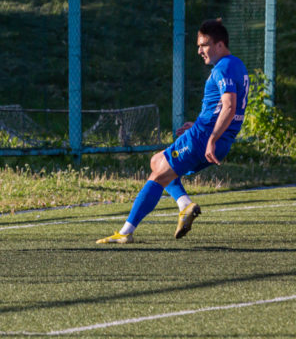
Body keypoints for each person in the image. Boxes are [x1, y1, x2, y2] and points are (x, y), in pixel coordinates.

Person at [97, 19, 249, 244]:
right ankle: (184, 205)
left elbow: (229, 105)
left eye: (204, 45)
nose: (199, 50)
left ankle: (126, 232)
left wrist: (211, 137)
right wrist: (201, 125)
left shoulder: (222, 68)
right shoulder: (237, 65)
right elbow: (224, 108)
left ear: (219, 45)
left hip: (204, 138)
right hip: (213, 136)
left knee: (158, 175)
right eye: (198, 45)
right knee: (157, 161)